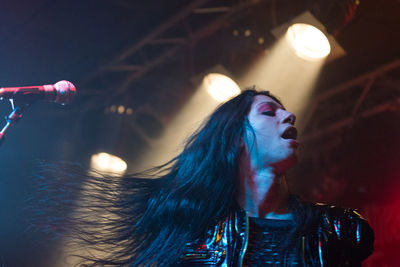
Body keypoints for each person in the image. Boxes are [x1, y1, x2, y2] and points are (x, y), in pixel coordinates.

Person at [28, 88, 374, 266]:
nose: (289, 115)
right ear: (237, 138)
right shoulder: (196, 238)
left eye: (285, 110)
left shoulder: (338, 229)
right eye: (270, 112)